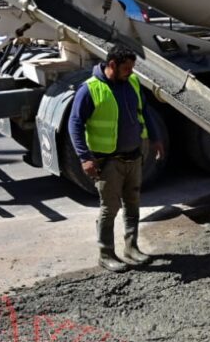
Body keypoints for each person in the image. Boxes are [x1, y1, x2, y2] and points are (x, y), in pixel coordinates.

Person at [69, 45, 165, 273]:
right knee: (109, 209)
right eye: (127, 68)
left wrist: (156, 138)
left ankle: (131, 248)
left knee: (133, 204)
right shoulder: (90, 89)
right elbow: (75, 123)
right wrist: (85, 157)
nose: (131, 73)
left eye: (132, 68)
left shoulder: (131, 83)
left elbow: (145, 112)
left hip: (134, 157)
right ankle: (106, 254)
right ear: (112, 65)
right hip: (108, 162)